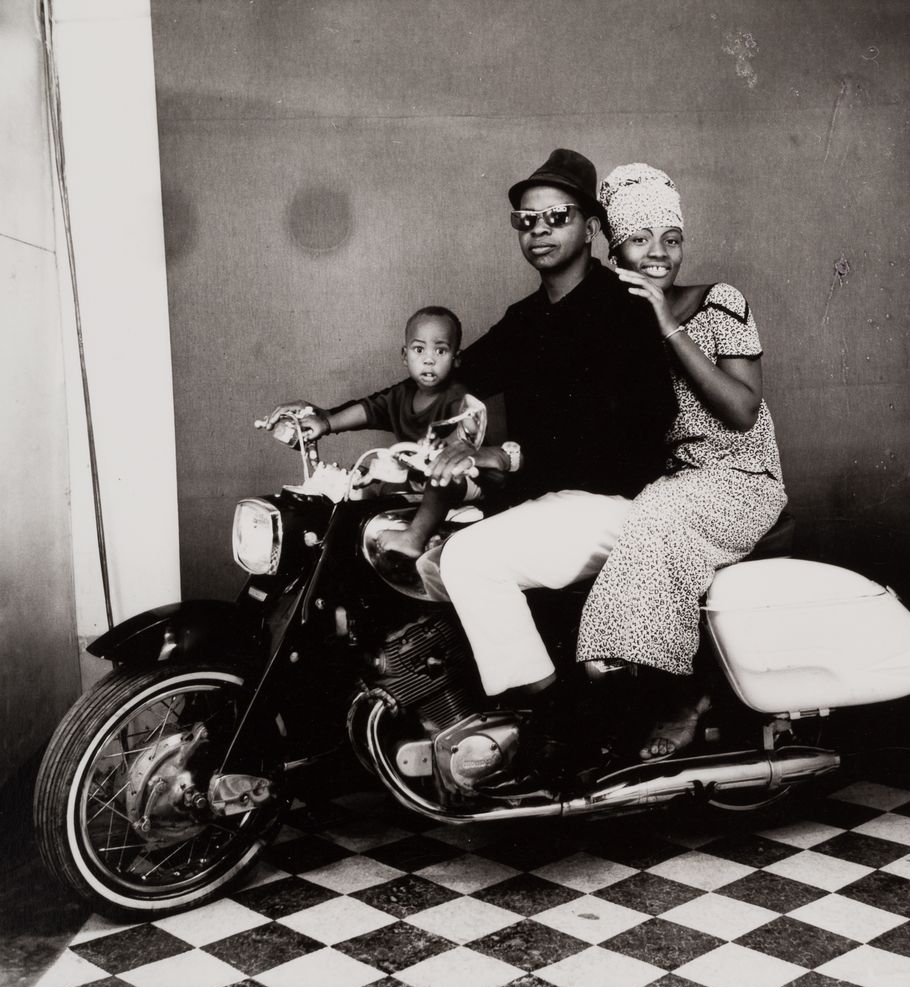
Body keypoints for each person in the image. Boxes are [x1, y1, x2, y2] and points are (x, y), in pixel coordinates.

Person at [424, 149, 675, 698]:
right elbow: (447, 378)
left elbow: (632, 438)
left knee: (470, 558)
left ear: (590, 229)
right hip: (547, 501)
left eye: (557, 217)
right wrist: (330, 418)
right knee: (428, 563)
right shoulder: (525, 319)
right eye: (526, 221)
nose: (539, 230)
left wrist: (504, 455)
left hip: (620, 505)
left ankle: (550, 722)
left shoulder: (627, 309)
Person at [574, 163, 787, 760]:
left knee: (658, 516)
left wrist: (668, 323)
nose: (659, 254)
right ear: (615, 249)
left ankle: (672, 692)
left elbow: (742, 410)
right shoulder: (614, 320)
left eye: (671, 238)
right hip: (672, 482)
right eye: (639, 240)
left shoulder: (720, 302)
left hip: (740, 479)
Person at [264, 305, 486, 558]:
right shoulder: (402, 395)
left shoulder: (456, 397)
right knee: (369, 480)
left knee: (443, 478)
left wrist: (451, 439)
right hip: (416, 475)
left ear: (456, 358)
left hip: (461, 477)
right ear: (405, 355)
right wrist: (326, 424)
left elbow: (468, 426)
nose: (429, 359)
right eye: (419, 349)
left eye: (441, 350)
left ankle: (415, 537)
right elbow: (367, 410)